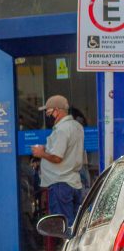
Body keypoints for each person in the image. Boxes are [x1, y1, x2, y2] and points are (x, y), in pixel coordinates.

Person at [32, 94, 85, 225]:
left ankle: (67, 246)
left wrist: (41, 153)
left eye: (49, 112)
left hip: (61, 184)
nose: (47, 116)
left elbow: (57, 158)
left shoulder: (62, 129)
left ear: (58, 110)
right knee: (73, 224)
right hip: (73, 182)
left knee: (63, 226)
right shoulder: (76, 126)